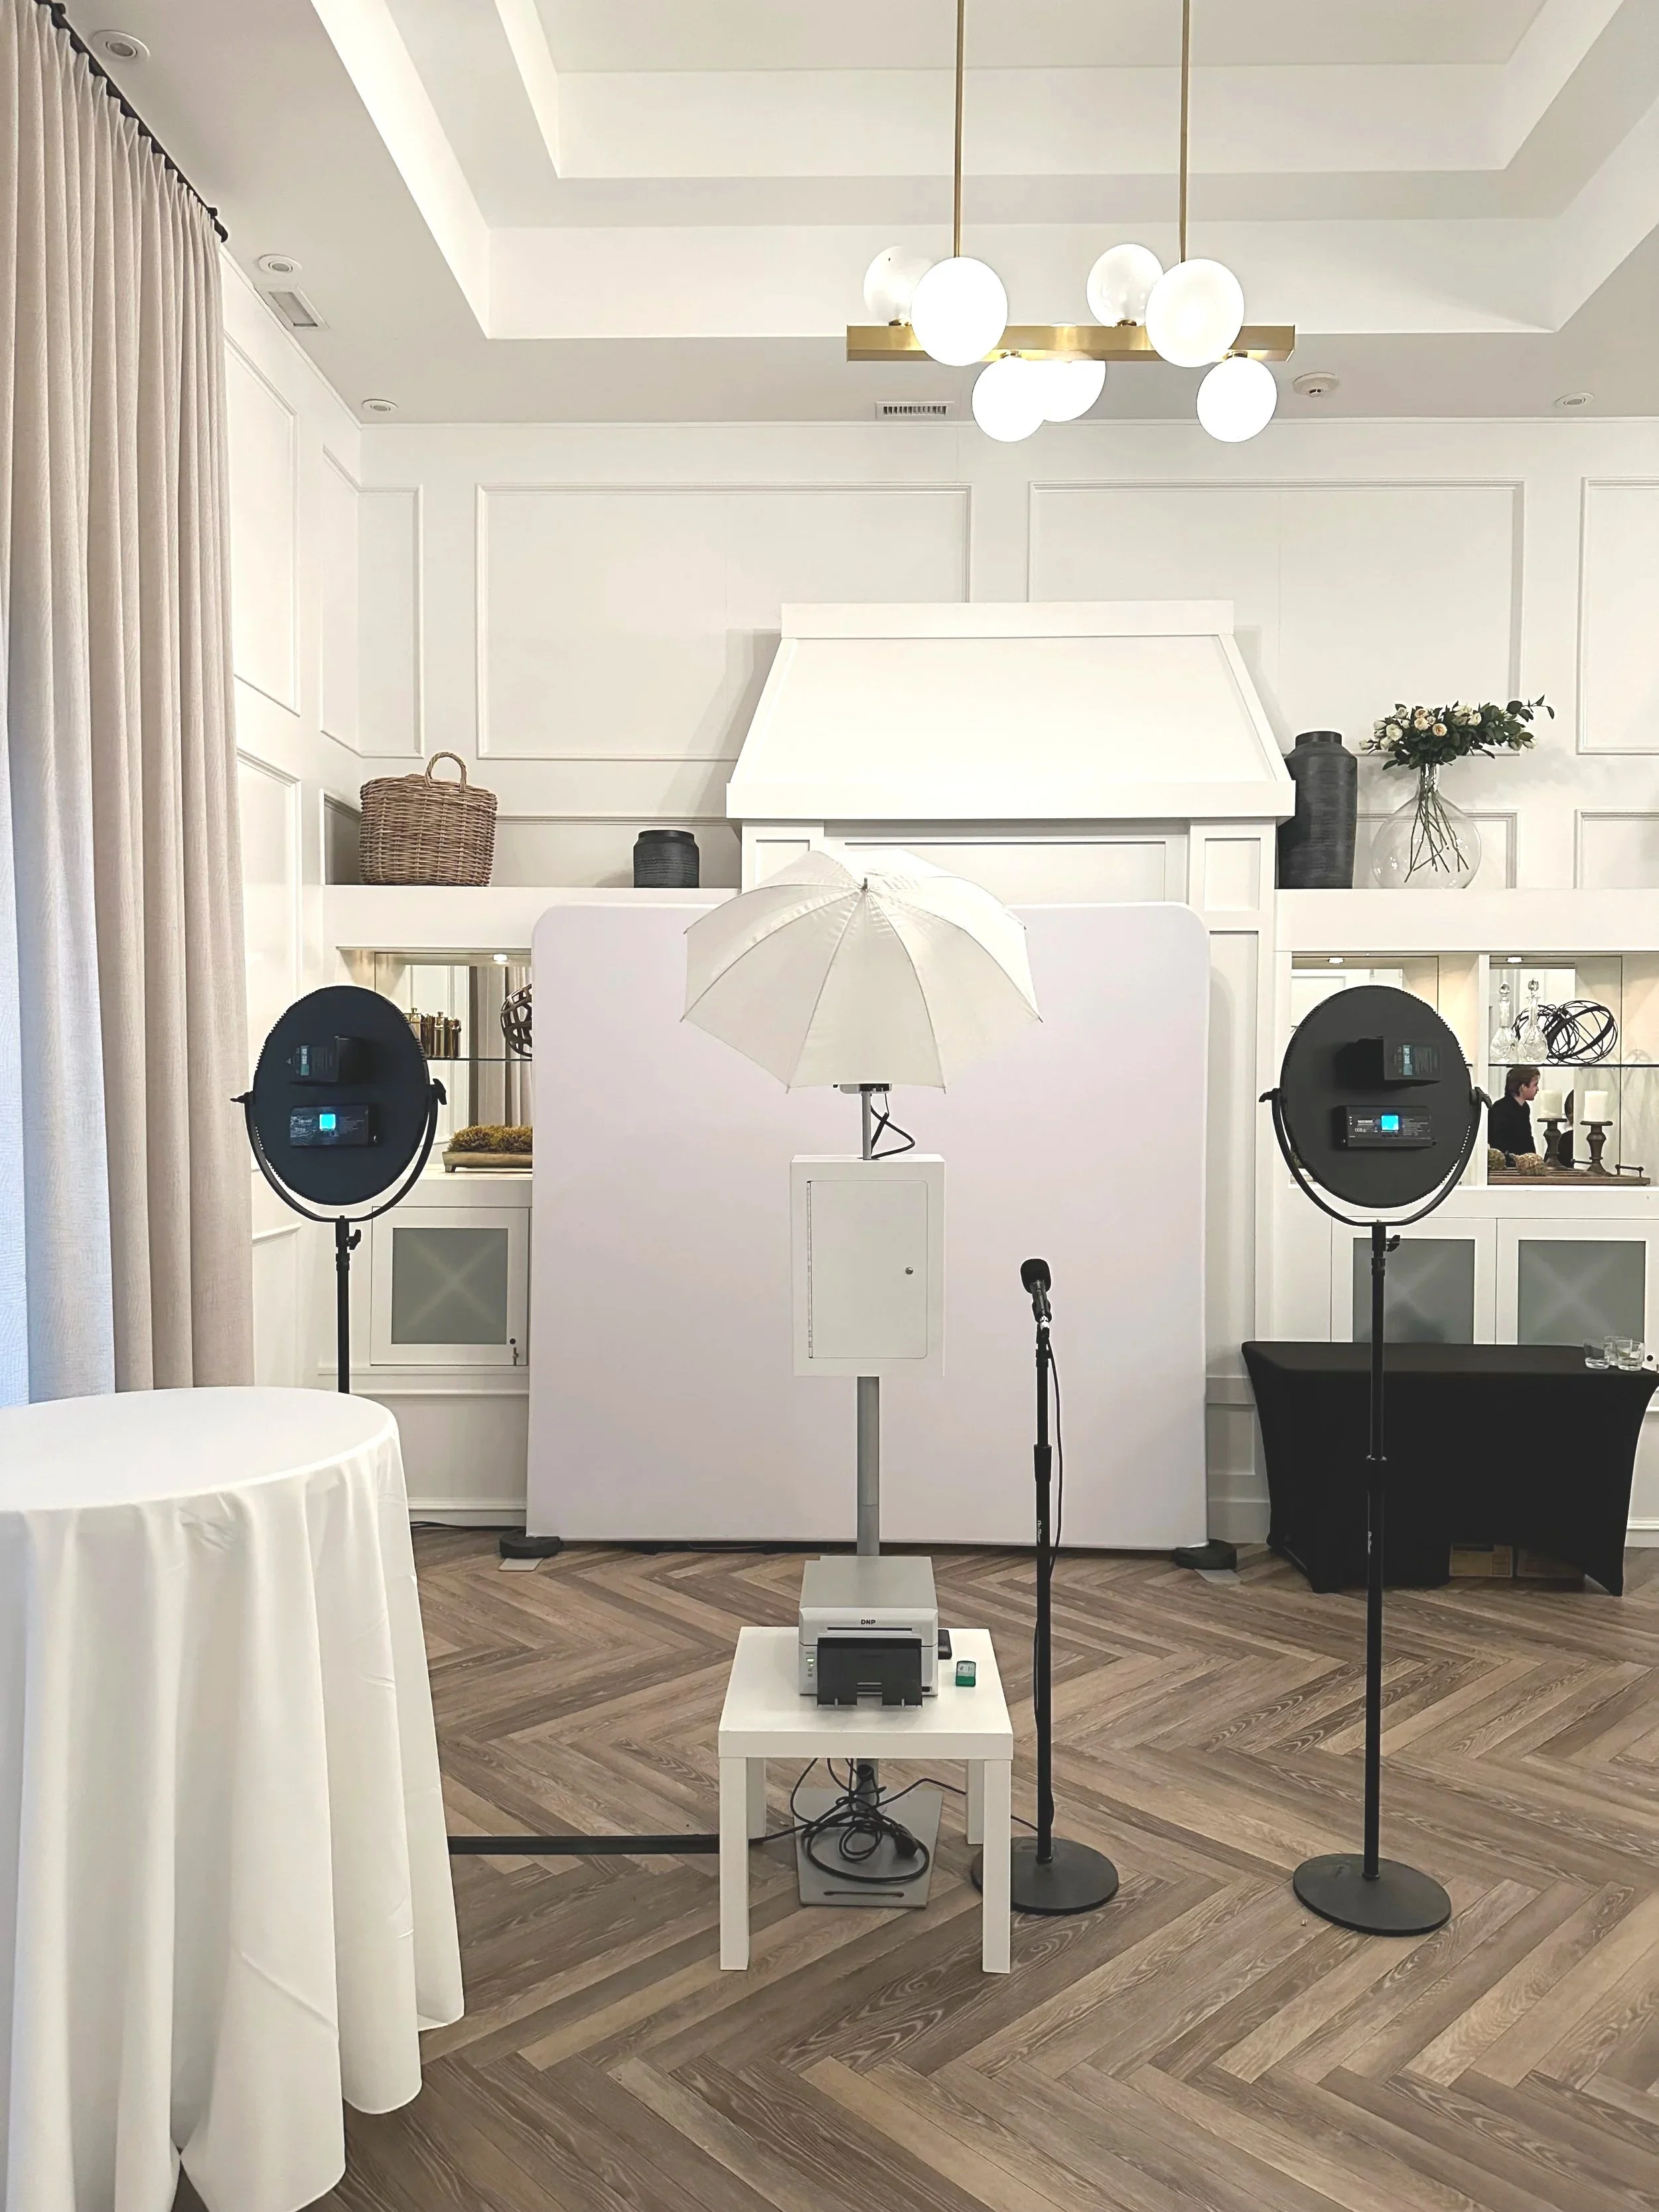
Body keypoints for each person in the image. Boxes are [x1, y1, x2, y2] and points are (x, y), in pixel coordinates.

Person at [1489, 1064, 1540, 1156]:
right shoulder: (1500, 1109)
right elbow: (1498, 1144)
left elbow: (1527, 1139)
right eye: (1535, 1085)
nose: (1537, 1089)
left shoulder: (1525, 1107)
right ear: (1523, 1087)